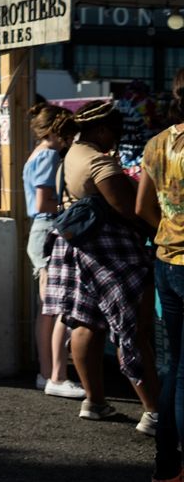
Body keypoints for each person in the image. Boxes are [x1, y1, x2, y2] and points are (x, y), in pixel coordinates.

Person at [43, 100, 158, 430]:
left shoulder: (72, 155)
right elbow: (128, 208)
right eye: (116, 133)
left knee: (86, 322)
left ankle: (94, 401)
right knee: (133, 330)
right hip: (111, 251)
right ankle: (154, 412)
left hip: (80, 248)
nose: (117, 140)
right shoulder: (97, 161)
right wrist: (157, 231)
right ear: (104, 129)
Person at [136, 69, 184, 482]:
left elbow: (142, 208)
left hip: (166, 262)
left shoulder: (156, 143)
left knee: (174, 366)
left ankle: (167, 464)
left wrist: (169, 233)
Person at [24, 104, 84, 400]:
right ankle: (56, 376)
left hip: (39, 232)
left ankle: (46, 372)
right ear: (55, 131)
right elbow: (42, 202)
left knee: (46, 309)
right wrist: (69, 207)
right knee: (58, 306)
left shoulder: (35, 153)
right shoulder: (49, 156)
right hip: (48, 230)